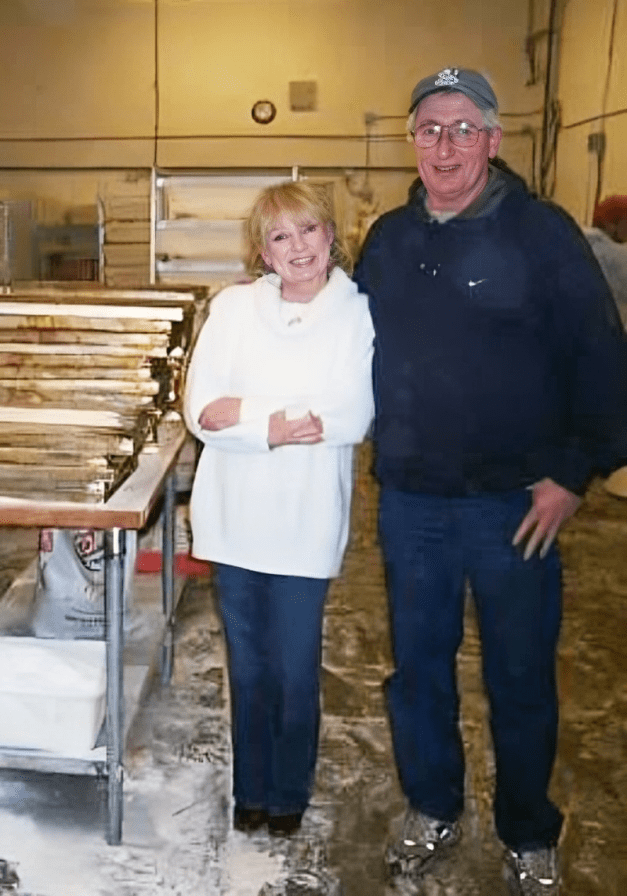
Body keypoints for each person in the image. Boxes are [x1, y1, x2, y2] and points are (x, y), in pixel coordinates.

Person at [354, 67, 627, 895]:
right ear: (412, 141)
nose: (445, 145)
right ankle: (433, 804)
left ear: (493, 140)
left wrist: (572, 475)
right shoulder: (388, 240)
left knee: (518, 672)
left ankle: (526, 827)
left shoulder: (541, 234)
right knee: (418, 669)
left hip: (516, 503)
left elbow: (601, 358)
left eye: (462, 128)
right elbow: (337, 344)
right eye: (429, 129)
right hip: (411, 499)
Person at [184, 181, 374, 837]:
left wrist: (250, 411)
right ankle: (251, 790)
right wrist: (279, 420)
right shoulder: (232, 310)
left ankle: (287, 793)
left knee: (294, 669)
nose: (297, 247)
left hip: (304, 523)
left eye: (308, 231)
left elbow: (350, 414)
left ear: (329, 237)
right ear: (261, 252)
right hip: (233, 518)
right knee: (249, 667)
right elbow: (201, 411)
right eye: (279, 236)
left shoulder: (356, 314)